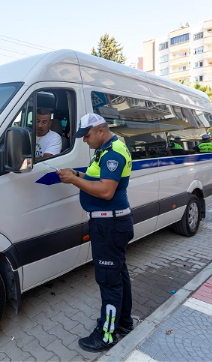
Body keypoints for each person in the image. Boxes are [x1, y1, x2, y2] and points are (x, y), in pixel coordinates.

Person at [57, 113, 134, 352]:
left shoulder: (113, 153)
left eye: (87, 135)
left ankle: (107, 335)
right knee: (118, 275)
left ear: (100, 130)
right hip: (110, 224)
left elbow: (105, 191)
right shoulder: (106, 149)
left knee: (109, 281)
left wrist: (73, 180)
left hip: (109, 226)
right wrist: (77, 175)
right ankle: (124, 323)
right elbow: (95, 178)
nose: (84, 140)